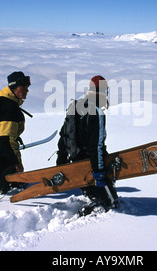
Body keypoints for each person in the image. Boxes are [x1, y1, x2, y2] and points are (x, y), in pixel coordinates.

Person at [57, 75, 118, 215]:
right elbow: (95, 146)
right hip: (90, 165)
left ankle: (91, 201)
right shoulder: (96, 112)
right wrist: (99, 172)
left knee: (101, 197)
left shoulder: (75, 106)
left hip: (76, 163)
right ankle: (80, 221)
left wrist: (62, 159)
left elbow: (64, 135)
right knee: (110, 203)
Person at [0, 71, 30, 193]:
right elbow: (6, 140)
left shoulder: (2, 100)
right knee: (2, 193)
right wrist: (15, 164)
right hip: (3, 157)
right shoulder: (9, 108)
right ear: (15, 87)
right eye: (24, 87)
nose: (27, 90)